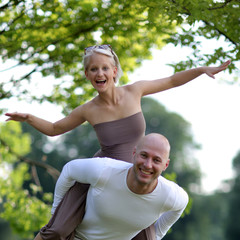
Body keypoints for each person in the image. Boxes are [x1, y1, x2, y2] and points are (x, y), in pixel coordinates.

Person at [5, 45, 231, 240]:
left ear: (114, 71)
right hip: (102, 173)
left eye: (104, 68)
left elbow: (172, 80)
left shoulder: (135, 91)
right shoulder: (88, 109)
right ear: (87, 74)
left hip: (137, 174)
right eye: (93, 69)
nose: (99, 73)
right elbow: (55, 129)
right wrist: (29, 118)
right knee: (57, 230)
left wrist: (202, 70)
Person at [38, 133, 189, 240]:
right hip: (75, 235)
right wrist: (56, 211)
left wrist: (157, 235)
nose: (148, 165)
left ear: (166, 165)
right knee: (55, 232)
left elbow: (181, 206)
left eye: (156, 160)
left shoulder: (171, 195)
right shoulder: (105, 170)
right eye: (144, 155)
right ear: (134, 153)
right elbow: (69, 170)